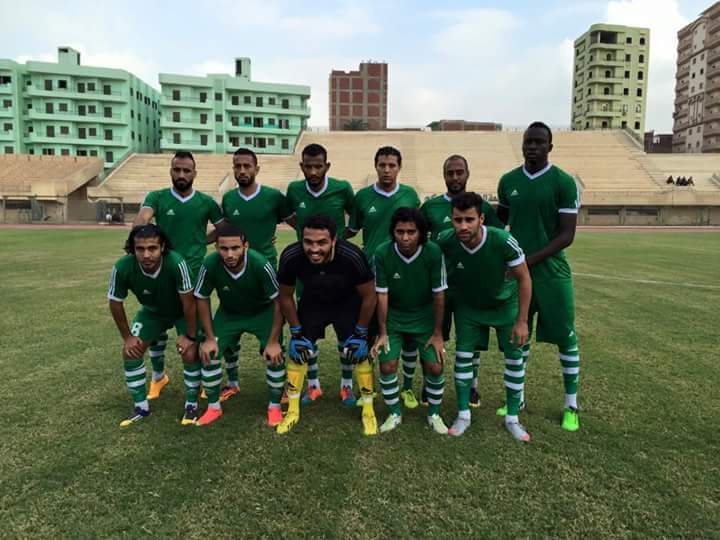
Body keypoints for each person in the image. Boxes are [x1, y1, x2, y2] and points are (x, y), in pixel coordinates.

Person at [496, 121, 581, 432]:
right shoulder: (508, 181)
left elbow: (567, 235)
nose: (532, 147)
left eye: (539, 142)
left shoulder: (563, 182)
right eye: (528, 142)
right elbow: (499, 223)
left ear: (550, 147)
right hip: (518, 275)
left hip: (552, 273)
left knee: (566, 337)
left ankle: (571, 405)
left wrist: (527, 260)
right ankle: (517, 399)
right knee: (518, 337)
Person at [437, 193, 532, 441]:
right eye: (457, 220)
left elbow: (524, 278)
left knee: (514, 359)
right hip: (469, 307)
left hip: (504, 305)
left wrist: (522, 321)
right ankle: (463, 414)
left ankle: (512, 418)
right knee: (463, 357)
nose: (463, 226)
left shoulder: (503, 240)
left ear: (481, 219)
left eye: (469, 219)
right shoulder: (445, 240)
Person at [133, 151, 224, 402]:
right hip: (162, 274)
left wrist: (202, 240)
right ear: (171, 171)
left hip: (193, 274)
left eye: (186, 170)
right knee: (156, 326)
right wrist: (140, 227)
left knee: (199, 333)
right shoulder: (157, 197)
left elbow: (223, 229)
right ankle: (158, 377)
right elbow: (143, 217)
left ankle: (204, 381)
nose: (181, 174)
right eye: (177, 170)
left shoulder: (206, 202)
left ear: (194, 173)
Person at [276, 214, 378, 435]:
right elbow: (285, 296)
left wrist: (361, 332)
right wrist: (295, 331)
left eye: (322, 242)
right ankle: (292, 411)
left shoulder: (351, 255)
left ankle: (368, 411)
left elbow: (370, 296)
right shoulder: (291, 255)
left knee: (358, 352)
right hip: (313, 304)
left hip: (347, 303)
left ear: (334, 240)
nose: (314, 249)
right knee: (298, 350)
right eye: (308, 242)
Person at [416, 154, 504, 409]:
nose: (455, 177)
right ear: (444, 175)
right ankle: (428, 383)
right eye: (450, 173)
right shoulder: (431, 207)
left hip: (470, 286)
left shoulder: (481, 207)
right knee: (433, 335)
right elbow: (420, 240)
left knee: (470, 339)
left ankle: (472, 386)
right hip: (439, 287)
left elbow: (495, 238)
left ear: (467, 173)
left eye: (459, 172)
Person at [107, 224, 199, 427]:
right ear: (133, 249)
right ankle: (141, 407)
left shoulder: (176, 262)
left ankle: (192, 404)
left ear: (162, 247)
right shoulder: (122, 267)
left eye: (152, 248)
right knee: (130, 351)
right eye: (140, 249)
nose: (146, 255)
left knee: (190, 352)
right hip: (152, 312)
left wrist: (190, 336)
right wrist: (128, 337)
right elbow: (115, 302)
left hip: (181, 313)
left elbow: (189, 303)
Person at [194, 224, 285, 427]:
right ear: (216, 247)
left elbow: (279, 302)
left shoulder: (260, 264)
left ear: (246, 246)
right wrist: (209, 338)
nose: (229, 254)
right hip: (230, 313)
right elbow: (201, 297)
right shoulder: (209, 264)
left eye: (235, 248)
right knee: (209, 353)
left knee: (274, 355)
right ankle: (213, 407)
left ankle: (275, 406)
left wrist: (273, 341)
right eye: (224, 248)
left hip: (262, 312)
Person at [285, 143, 355, 404]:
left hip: (339, 271)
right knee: (307, 331)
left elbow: (355, 217)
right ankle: (313, 385)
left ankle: (347, 385)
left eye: (318, 166)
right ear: (301, 166)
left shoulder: (342, 188)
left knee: (345, 332)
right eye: (308, 166)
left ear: (327, 166)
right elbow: (290, 216)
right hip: (307, 270)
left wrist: (340, 242)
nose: (313, 171)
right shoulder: (294, 190)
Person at [371, 208, 448, 434]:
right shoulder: (382, 252)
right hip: (394, 317)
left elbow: (439, 295)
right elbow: (382, 295)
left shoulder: (433, 252)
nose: (405, 237)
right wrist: (382, 332)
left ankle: (434, 414)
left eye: (411, 232)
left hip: (424, 318)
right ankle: (394, 413)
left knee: (435, 367)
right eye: (400, 231)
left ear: (421, 232)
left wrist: (438, 333)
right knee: (387, 365)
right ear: (393, 232)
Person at [222, 148, 294, 268]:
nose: (242, 171)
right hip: (236, 265)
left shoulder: (274, 196)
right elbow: (224, 228)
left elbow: (296, 223)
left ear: (256, 169)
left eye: (247, 166)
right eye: (238, 166)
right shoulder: (228, 198)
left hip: (266, 263)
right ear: (233, 169)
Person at [346, 146, 421, 257]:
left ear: (399, 167)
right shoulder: (362, 196)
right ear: (375, 166)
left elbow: (418, 229)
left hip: (402, 261)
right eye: (382, 165)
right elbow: (352, 230)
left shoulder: (410, 194)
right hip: (372, 260)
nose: (386, 170)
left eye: (392, 166)